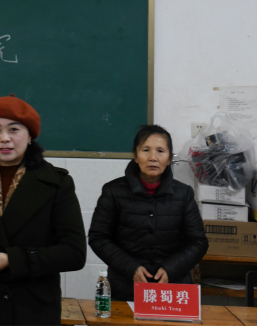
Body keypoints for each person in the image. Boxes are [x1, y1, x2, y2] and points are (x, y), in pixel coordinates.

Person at [0, 95, 86, 325]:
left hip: (33, 309)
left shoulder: (57, 183)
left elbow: (74, 253)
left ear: (30, 136)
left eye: (14, 129)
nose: (4, 138)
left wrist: (13, 260)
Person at [88, 125, 208, 301]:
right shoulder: (113, 191)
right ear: (135, 156)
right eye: (146, 150)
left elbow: (198, 242)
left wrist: (171, 269)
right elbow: (98, 237)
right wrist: (131, 267)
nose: (153, 157)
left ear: (169, 158)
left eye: (160, 151)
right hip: (126, 288)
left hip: (172, 289)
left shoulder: (184, 194)